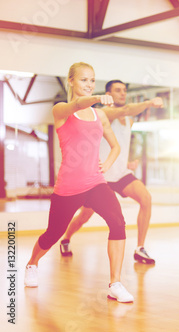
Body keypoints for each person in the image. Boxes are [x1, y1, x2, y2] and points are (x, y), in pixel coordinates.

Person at [24, 62, 133, 302]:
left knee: (118, 222)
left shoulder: (99, 114)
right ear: (71, 81)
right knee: (53, 233)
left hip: (96, 183)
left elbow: (115, 146)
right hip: (68, 187)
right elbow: (77, 104)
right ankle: (32, 264)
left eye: (92, 80)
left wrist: (107, 163)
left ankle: (115, 283)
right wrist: (96, 97)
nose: (89, 84)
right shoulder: (62, 110)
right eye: (84, 80)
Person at [59, 80, 163, 264]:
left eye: (124, 90)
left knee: (146, 199)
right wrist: (148, 103)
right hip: (101, 176)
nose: (122, 93)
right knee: (85, 215)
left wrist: (128, 161)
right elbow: (124, 110)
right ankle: (66, 238)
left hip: (121, 173)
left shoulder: (129, 121)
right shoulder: (105, 113)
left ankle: (140, 248)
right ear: (108, 93)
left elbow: (121, 143)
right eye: (118, 90)